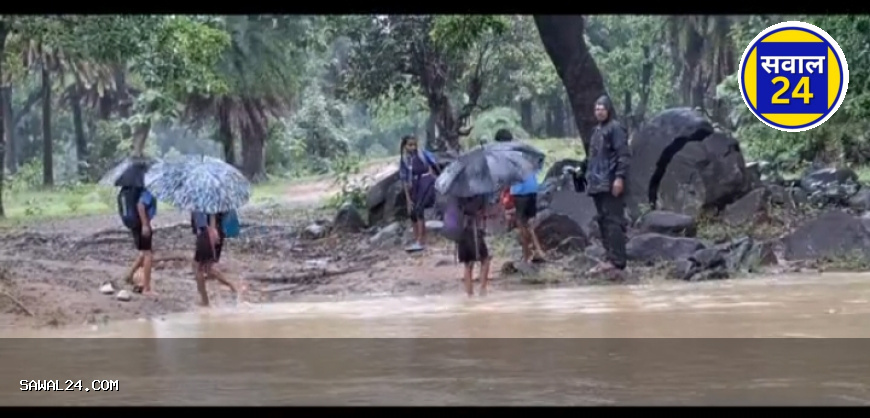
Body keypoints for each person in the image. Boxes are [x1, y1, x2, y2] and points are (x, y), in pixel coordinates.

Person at [584, 95, 631, 274]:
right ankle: (609, 257)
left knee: (613, 221)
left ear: (609, 110)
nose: (599, 111)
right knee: (603, 221)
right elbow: (594, 156)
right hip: (597, 183)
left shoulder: (615, 128)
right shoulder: (597, 131)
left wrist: (620, 178)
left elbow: (623, 155)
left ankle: (618, 260)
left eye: (602, 108)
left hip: (611, 181)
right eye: (596, 109)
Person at [494, 128, 546, 264]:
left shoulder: (507, 155)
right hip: (533, 187)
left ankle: (526, 255)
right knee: (529, 223)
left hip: (520, 191)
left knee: (521, 224)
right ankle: (538, 251)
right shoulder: (523, 150)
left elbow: (506, 175)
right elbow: (540, 157)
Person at [192, 211, 241, 307]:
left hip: (207, 234)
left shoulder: (205, 201)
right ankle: (231, 286)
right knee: (204, 268)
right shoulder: (205, 200)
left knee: (198, 268)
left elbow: (211, 214)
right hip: (209, 233)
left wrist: (212, 229)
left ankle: (205, 301)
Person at [398, 134, 439, 252]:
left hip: (426, 182)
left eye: (414, 145)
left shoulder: (422, 154)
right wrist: (407, 198)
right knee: (413, 212)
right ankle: (417, 239)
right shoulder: (404, 160)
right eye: (410, 145)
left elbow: (432, 164)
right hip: (414, 185)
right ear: (405, 146)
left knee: (419, 209)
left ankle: (421, 240)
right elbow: (404, 179)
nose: (413, 147)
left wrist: (434, 177)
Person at [119, 185, 157, 295]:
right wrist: (145, 225)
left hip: (135, 224)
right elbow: (140, 205)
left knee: (144, 253)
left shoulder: (135, 189)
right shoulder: (147, 191)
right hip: (141, 225)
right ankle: (146, 288)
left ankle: (129, 276)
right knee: (148, 255)